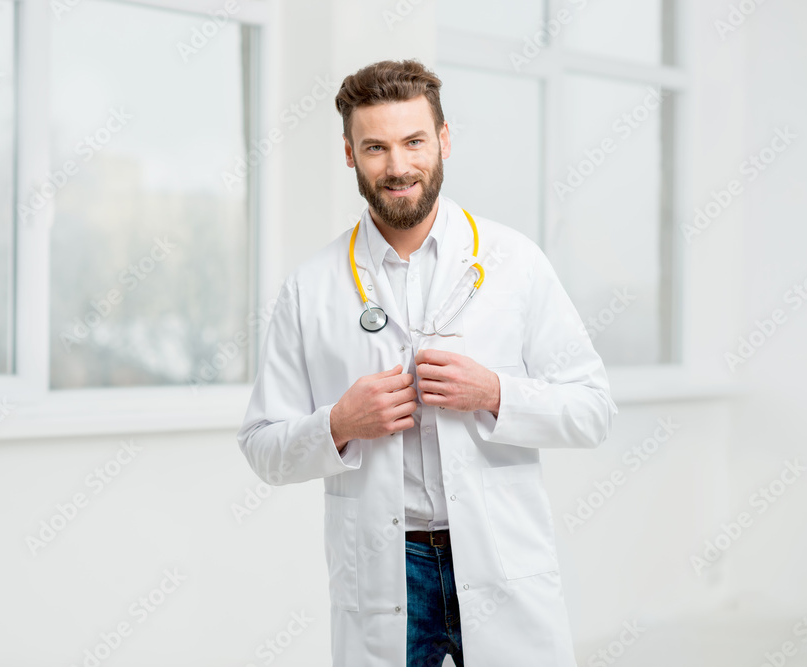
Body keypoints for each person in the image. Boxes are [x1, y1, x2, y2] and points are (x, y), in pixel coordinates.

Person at [237, 59, 617, 667]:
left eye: (414, 141)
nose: (398, 167)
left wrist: (496, 393)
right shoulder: (312, 288)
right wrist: (339, 423)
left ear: (443, 139)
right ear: (348, 153)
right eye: (375, 147)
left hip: (497, 558)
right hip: (388, 571)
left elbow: (593, 410)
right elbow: (262, 446)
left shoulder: (514, 262)